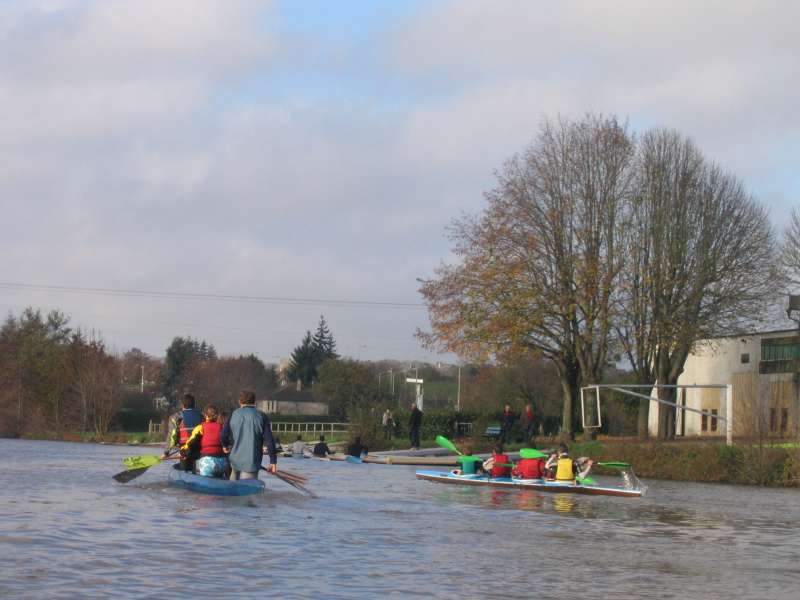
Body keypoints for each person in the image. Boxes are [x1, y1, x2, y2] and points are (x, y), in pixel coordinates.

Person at [221, 390, 277, 480]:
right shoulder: (262, 416)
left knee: (232, 490)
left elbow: (223, 435)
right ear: (254, 402)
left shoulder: (233, 414)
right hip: (252, 462)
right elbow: (270, 440)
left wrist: (225, 445)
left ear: (240, 401)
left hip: (235, 461)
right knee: (248, 493)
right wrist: (273, 461)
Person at [181, 404, 229, 478]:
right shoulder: (222, 427)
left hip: (207, 463)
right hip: (222, 464)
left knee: (195, 462)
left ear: (205, 415)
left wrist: (183, 451)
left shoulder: (200, 427)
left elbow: (190, 443)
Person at [163, 393, 204, 472]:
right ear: (194, 404)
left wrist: (166, 452)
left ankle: (185, 473)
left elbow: (172, 435)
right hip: (200, 449)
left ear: (182, 405)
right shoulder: (202, 416)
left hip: (185, 449)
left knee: (185, 469)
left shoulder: (175, 417)